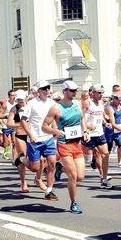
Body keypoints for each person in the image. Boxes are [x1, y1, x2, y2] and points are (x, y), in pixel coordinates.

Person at [42, 80, 89, 213]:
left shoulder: (77, 104)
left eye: (75, 90)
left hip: (76, 143)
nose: (74, 93)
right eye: (72, 90)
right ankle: (74, 203)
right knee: (73, 176)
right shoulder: (56, 108)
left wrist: (85, 131)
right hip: (63, 144)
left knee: (80, 177)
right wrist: (55, 131)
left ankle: (60, 168)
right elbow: (44, 126)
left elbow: (82, 119)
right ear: (65, 91)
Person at [15, 80, 58, 200]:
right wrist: (30, 135)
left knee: (52, 163)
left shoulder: (52, 103)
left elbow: (53, 118)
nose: (47, 91)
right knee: (34, 168)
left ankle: (49, 191)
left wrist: (55, 131)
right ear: (38, 91)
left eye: (48, 88)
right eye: (44, 88)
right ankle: (22, 159)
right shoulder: (32, 103)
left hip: (48, 138)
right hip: (35, 139)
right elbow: (23, 120)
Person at [81, 84, 113, 189]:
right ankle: (61, 167)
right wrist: (86, 128)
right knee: (84, 159)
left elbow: (100, 115)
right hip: (89, 134)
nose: (101, 95)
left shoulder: (101, 102)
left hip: (99, 133)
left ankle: (104, 179)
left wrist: (105, 123)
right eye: (99, 93)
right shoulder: (87, 102)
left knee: (105, 154)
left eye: (102, 93)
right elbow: (81, 116)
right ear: (93, 93)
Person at [7, 89, 30, 193]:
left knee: (38, 158)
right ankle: (23, 182)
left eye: (22, 99)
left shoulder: (30, 106)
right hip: (20, 135)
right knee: (24, 157)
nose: (20, 101)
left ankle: (38, 178)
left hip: (31, 135)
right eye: (19, 99)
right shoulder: (14, 109)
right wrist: (20, 124)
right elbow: (8, 124)